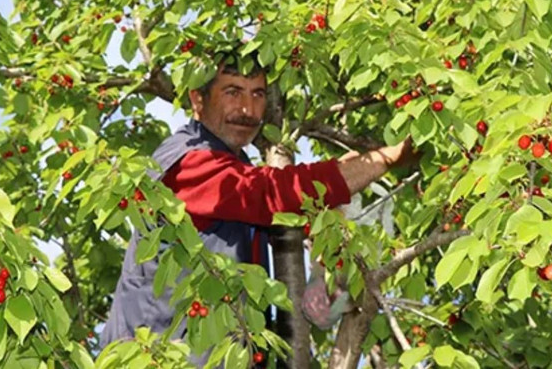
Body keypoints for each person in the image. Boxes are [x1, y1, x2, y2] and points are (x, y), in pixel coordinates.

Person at [100, 54, 420, 356]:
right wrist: (383, 159)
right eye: (233, 92)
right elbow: (269, 194)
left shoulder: (234, 166)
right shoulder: (188, 160)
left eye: (258, 95)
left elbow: (280, 209)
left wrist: (336, 214)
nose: (248, 109)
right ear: (198, 100)